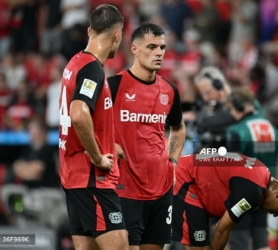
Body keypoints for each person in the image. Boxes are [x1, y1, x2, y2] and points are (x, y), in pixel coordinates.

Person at [108, 23, 186, 250]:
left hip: (161, 192)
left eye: (162, 47)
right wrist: (107, 145)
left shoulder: (170, 90)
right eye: (151, 47)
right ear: (134, 48)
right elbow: (84, 123)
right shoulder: (114, 86)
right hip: (125, 190)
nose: (159, 52)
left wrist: (172, 161)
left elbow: (178, 128)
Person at [58, 4, 128, 250]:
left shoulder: (75, 63)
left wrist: (109, 145)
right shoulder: (92, 69)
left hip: (74, 176)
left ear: (89, 30)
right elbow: (79, 114)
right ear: (118, 34)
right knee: (120, 247)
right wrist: (98, 157)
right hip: (92, 178)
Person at [172, 153, 278, 250]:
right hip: (186, 181)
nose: (274, 215)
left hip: (191, 178)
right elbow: (222, 229)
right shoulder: (253, 191)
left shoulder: (262, 173)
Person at [225, 86, 278, 250]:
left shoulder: (236, 131)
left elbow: (232, 167)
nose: (231, 113)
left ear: (239, 106)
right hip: (266, 190)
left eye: (231, 108)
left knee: (239, 241)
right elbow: (277, 161)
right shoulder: (272, 128)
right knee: (261, 240)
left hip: (243, 193)